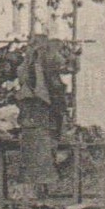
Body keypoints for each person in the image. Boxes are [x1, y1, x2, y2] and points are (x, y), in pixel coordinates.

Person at [15, 34, 68, 196]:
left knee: (44, 159)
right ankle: (38, 192)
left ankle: (41, 192)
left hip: (41, 121)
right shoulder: (29, 67)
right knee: (38, 161)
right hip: (38, 121)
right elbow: (41, 94)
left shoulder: (42, 66)